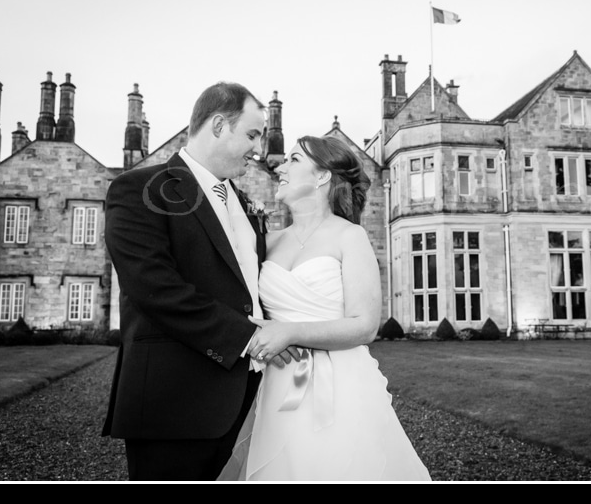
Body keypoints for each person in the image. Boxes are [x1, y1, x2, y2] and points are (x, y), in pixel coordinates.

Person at [101, 82, 296, 481]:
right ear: (220, 125)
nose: (258, 148)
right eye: (252, 134)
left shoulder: (243, 202)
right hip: (174, 404)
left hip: (248, 402)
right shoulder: (137, 189)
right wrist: (250, 338)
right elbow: (155, 288)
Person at [217, 135, 432, 482]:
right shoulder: (266, 243)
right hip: (278, 383)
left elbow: (364, 326)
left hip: (342, 384)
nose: (280, 167)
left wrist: (290, 332)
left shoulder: (350, 237)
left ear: (321, 177)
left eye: (293, 160)